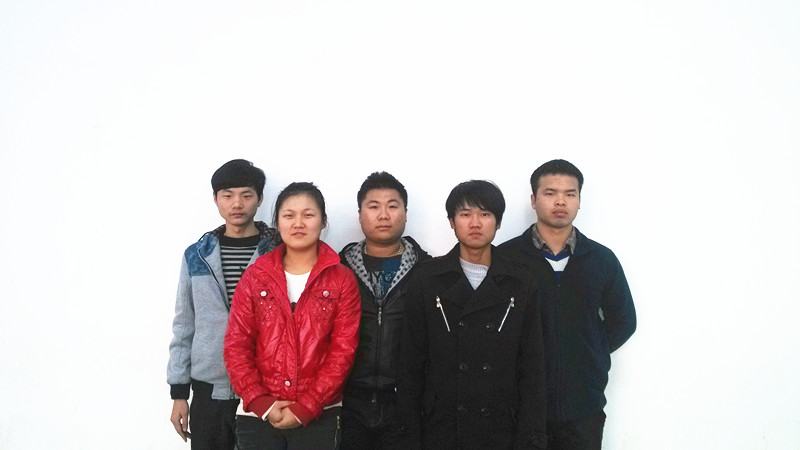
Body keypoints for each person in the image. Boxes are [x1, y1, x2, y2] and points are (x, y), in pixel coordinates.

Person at [398, 180, 548, 450]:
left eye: (485, 214)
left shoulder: (521, 281)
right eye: (465, 214)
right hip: (441, 427)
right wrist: (409, 436)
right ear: (452, 221)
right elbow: (411, 365)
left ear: (498, 222)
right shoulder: (427, 279)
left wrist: (530, 438)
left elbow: (532, 367)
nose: (475, 223)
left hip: (501, 426)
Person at [499, 159, 637, 450]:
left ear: (579, 201)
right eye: (550, 193)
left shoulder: (601, 259)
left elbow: (624, 320)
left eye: (570, 194)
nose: (560, 201)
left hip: (583, 406)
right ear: (534, 200)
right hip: (519, 405)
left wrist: (590, 351)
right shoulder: (506, 259)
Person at [224, 182, 361, 449]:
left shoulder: (342, 279)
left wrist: (307, 406)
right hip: (257, 415)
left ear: (323, 221)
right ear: (277, 222)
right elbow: (236, 344)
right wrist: (261, 402)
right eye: (289, 215)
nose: (298, 223)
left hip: (320, 413)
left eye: (308, 215)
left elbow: (343, 351)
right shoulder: (255, 277)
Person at [167, 159, 276, 449]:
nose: (237, 203)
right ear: (215, 199)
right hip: (208, 392)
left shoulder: (277, 253)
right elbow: (184, 324)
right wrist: (179, 393)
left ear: (260, 199)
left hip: (265, 388)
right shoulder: (197, 256)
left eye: (246, 195)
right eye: (227, 195)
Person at [338, 172, 431, 449]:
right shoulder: (337, 269)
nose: (383, 215)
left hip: (405, 404)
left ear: (405, 213)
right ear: (359, 215)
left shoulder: (428, 272)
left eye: (392, 206)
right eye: (373, 206)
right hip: (347, 403)